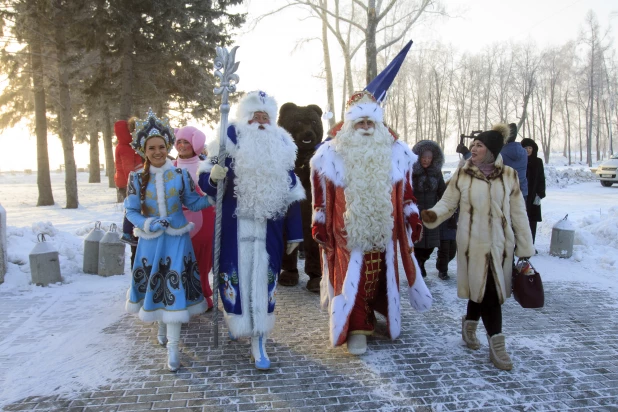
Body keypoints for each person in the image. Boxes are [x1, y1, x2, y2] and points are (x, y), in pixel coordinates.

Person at [310, 90, 432, 356]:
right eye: (360, 123)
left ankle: (371, 315)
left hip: (382, 228)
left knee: (376, 276)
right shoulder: (330, 154)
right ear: (350, 124)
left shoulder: (396, 152)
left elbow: (406, 193)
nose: (365, 128)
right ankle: (356, 327)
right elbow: (321, 196)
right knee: (352, 278)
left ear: (378, 124)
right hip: (347, 231)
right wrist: (319, 222)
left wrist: (412, 216)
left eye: (370, 123)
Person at [197, 90, 305, 370]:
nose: (260, 121)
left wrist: (294, 233)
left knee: (264, 283)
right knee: (233, 280)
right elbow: (208, 185)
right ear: (244, 118)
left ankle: (259, 341)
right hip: (234, 229)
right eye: (255, 116)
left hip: (268, 233)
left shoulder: (281, 148)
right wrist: (213, 177)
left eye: (265, 116)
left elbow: (292, 195)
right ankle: (236, 321)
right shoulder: (227, 142)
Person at [421, 123, 534, 371]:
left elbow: (519, 214)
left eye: (479, 145)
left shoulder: (509, 176)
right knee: (485, 292)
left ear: (491, 150)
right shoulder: (463, 175)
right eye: (473, 145)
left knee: (486, 292)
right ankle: (497, 344)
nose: (473, 148)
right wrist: (432, 215)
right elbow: (447, 203)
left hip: (500, 246)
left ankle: (471, 325)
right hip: (472, 245)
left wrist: (525, 245)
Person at [124, 109, 211, 372]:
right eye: (152, 148)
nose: (158, 152)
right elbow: (131, 211)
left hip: (177, 240)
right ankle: (160, 325)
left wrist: (213, 192)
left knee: (173, 290)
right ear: (143, 149)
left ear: (167, 147)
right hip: (151, 241)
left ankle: (173, 348)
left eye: (162, 146)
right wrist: (148, 223)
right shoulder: (136, 178)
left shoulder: (180, 175)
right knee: (157, 285)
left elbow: (193, 201)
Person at [173, 126, 215, 310]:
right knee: (178, 261)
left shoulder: (205, 166)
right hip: (176, 221)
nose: (182, 146)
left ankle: (203, 295)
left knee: (202, 261)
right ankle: (180, 297)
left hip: (203, 219)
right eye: (179, 142)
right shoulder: (170, 166)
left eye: (186, 142)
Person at [457, 123, 528, 200]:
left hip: (503, 194)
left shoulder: (500, 153)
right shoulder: (524, 152)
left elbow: (479, 166)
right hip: (521, 192)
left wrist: (466, 153)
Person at [411, 140, 446, 279]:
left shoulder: (437, 173)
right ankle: (418, 264)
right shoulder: (412, 172)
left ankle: (422, 261)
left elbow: (442, 192)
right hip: (415, 211)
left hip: (431, 213)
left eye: (429, 158)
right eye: (423, 157)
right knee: (417, 242)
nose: (426, 160)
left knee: (430, 244)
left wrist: (442, 209)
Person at [114, 118, 143, 268]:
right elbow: (127, 167)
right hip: (128, 182)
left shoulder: (129, 146)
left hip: (129, 181)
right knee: (131, 207)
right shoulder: (126, 147)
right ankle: (128, 232)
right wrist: (132, 180)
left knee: (133, 206)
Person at [521, 138, 546, 247]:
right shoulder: (520, 160)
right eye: (525, 148)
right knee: (520, 220)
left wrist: (540, 193)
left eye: (530, 148)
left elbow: (541, 178)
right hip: (521, 195)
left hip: (533, 195)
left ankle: (530, 245)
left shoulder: (538, 161)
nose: (528, 150)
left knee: (532, 222)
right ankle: (520, 245)